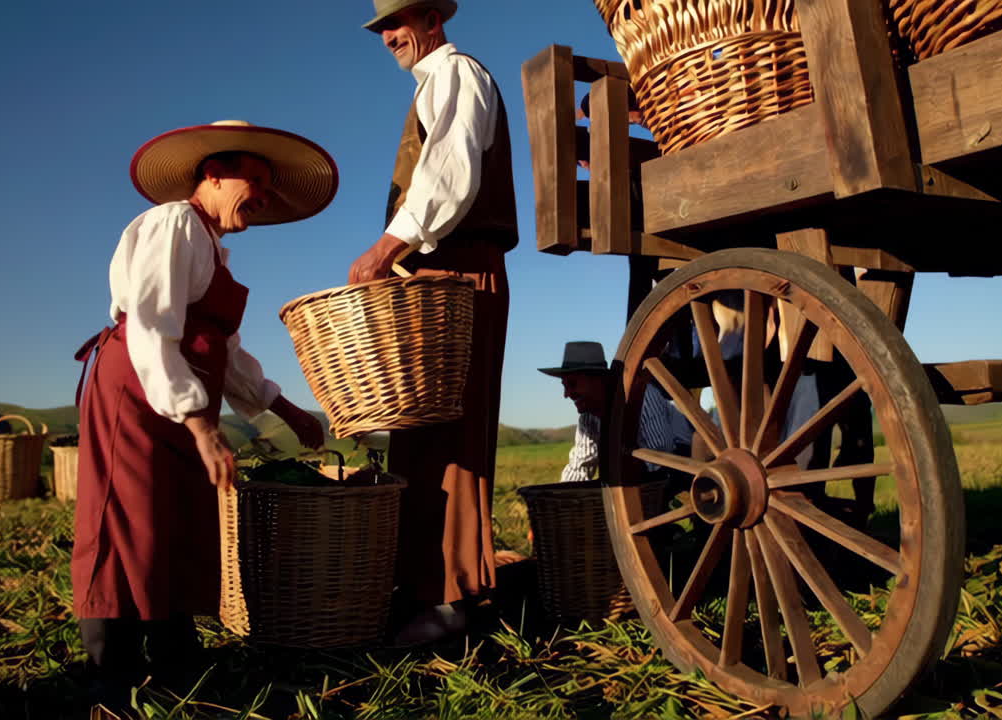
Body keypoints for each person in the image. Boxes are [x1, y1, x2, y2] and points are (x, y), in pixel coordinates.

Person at [71, 120, 337, 710]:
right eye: (256, 181)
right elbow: (151, 325)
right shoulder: (173, 223)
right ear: (213, 174)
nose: (264, 197)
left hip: (179, 396)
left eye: (269, 188)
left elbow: (227, 353)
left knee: (175, 520)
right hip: (135, 391)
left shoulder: (212, 248)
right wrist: (201, 425)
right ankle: (111, 673)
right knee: (126, 519)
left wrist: (287, 410)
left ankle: (174, 658)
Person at [349, 0, 518, 646]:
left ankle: (452, 600)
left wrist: (385, 248)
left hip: (459, 272)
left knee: (452, 433)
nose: (388, 36)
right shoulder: (431, 84)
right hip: (436, 274)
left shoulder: (456, 73)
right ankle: (426, 587)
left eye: (398, 23)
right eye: (382, 28)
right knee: (420, 433)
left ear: (432, 21)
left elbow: (451, 171)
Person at [539, 341, 692, 484]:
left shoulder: (642, 397)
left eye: (572, 384)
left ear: (598, 380)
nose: (566, 394)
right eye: (565, 386)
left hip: (683, 464)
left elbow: (660, 457)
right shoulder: (587, 420)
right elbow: (580, 466)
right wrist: (563, 495)